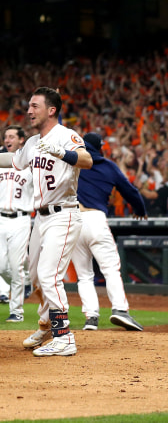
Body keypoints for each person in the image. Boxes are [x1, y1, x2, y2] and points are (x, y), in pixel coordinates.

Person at [0, 86, 93, 357]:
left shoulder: (66, 135)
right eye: (29, 106)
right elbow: (14, 160)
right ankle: (48, 325)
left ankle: (64, 337)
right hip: (40, 218)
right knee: (34, 278)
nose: (29, 111)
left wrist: (63, 152)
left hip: (63, 213)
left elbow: (87, 160)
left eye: (35, 106)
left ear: (51, 110)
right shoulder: (31, 142)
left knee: (49, 275)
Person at [73, 132, 146, 332]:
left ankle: (91, 318)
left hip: (72, 220)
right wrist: (140, 210)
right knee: (110, 269)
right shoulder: (108, 165)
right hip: (95, 219)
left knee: (84, 275)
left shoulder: (72, 163)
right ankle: (120, 310)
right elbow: (131, 191)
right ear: (99, 147)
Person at [0, 125, 33, 323]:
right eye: (5, 136)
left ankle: (16, 311)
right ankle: (27, 281)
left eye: (11, 136)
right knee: (1, 267)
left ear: (22, 140)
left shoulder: (30, 164)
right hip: (0, 220)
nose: (7, 139)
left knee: (16, 266)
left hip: (21, 219)